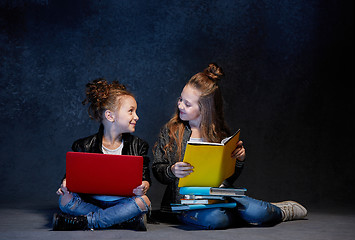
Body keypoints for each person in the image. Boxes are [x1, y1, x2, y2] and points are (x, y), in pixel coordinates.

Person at [152, 63, 307, 229]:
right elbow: (157, 168)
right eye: (181, 99)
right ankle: (246, 215)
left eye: (187, 104)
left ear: (205, 109)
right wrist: (172, 171)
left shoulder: (219, 134)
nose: (180, 105)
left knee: (258, 212)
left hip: (219, 196)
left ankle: (280, 211)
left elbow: (227, 177)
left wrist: (239, 160)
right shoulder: (172, 130)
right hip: (186, 205)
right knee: (216, 220)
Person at [53, 78, 151, 231]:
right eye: (131, 111)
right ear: (110, 116)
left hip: (122, 203)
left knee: (143, 201)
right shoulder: (83, 145)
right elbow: (70, 178)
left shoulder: (139, 145)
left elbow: (145, 178)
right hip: (92, 203)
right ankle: (121, 221)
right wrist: (65, 184)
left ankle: (87, 222)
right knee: (64, 200)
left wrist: (143, 187)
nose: (136, 117)